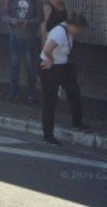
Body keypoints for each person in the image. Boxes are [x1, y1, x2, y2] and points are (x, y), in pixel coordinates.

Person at [39, 12, 92, 145]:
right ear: (73, 25)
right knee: (49, 101)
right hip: (50, 68)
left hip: (62, 66)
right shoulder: (60, 32)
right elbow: (47, 50)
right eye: (79, 29)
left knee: (74, 91)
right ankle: (48, 135)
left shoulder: (69, 32)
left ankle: (77, 122)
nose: (79, 32)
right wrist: (50, 60)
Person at [2, 0, 44, 104]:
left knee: (30, 66)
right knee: (14, 65)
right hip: (14, 36)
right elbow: (4, 15)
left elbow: (40, 17)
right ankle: (14, 92)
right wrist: (11, 20)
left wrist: (29, 22)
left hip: (29, 37)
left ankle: (31, 94)